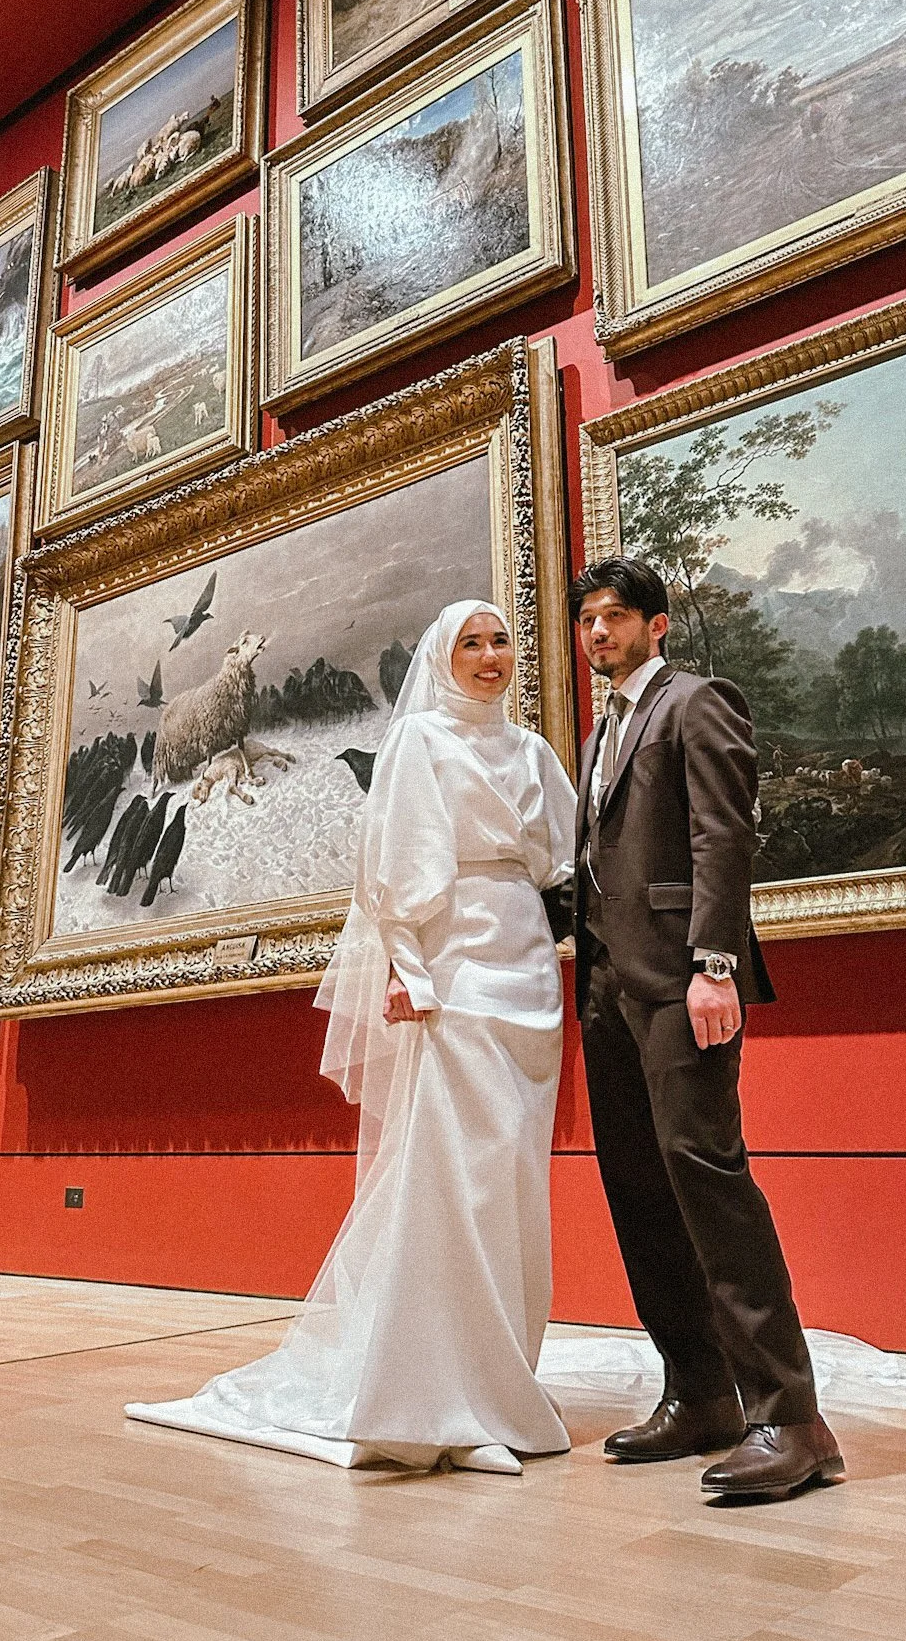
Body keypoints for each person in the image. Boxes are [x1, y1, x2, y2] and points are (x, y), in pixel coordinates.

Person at [126, 599, 578, 1474]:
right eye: (470, 645)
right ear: (443, 658)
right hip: (453, 974)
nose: (488, 658)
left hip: (528, 971)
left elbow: (560, 860)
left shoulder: (531, 752)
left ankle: (499, 1383)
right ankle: (432, 1402)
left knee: (511, 1181)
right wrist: (408, 970)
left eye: (499, 643)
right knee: (449, 1179)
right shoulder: (418, 743)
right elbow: (394, 867)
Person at [569, 556, 843, 1504]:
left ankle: (792, 1418)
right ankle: (700, 1394)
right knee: (639, 1189)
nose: (598, 634)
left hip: (685, 981)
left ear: (658, 624)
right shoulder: (602, 725)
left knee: (708, 1181)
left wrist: (714, 964)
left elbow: (724, 836)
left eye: (614, 617)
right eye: (587, 621)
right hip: (606, 988)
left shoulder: (695, 701)